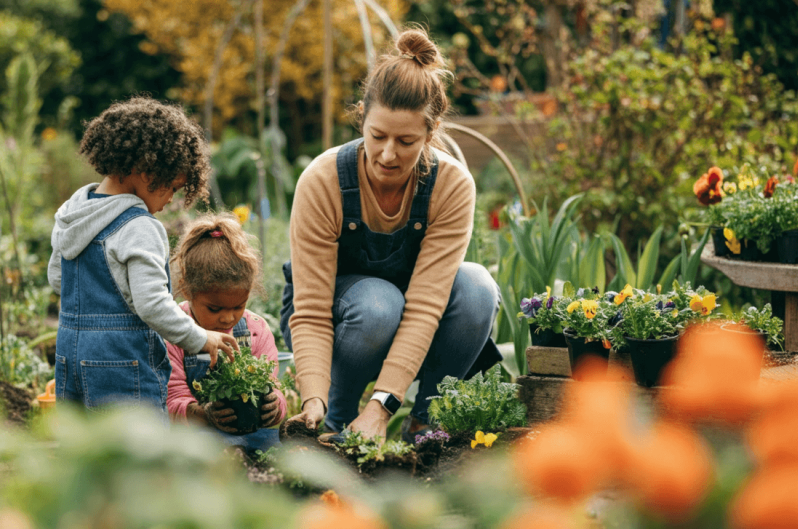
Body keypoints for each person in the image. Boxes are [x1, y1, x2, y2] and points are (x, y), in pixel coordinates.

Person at [279, 29, 502, 441]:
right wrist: (313, 397)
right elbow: (309, 310)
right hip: (347, 312)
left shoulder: (451, 186)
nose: (387, 154)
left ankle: (426, 427)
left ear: (431, 131)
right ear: (361, 115)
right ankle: (334, 422)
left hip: (417, 313)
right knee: (379, 305)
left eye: (406, 141)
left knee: (477, 289)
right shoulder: (323, 181)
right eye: (377, 135)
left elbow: (425, 307)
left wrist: (383, 406)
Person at [48, 97, 238, 414]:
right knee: (137, 455)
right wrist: (199, 337)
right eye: (172, 188)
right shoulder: (139, 226)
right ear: (145, 170)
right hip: (121, 362)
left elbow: (58, 279)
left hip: (69, 355)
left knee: (82, 449)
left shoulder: (72, 213)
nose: (169, 201)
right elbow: (151, 304)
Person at [166, 214, 287, 452]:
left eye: (238, 306)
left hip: (251, 435)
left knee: (283, 452)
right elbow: (171, 400)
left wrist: (275, 406)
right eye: (215, 308)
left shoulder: (255, 330)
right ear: (188, 291)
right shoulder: (174, 331)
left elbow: (272, 385)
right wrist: (203, 414)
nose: (228, 318)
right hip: (197, 439)